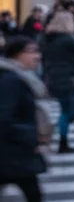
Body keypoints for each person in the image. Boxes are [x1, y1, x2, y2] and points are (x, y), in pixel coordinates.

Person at [0, 36, 52, 202]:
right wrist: (32, 136)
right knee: (33, 194)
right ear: (16, 54)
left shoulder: (18, 76)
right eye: (31, 51)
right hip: (12, 150)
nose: (37, 56)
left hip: (13, 150)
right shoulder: (12, 79)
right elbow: (4, 116)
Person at [40, 11, 74, 154]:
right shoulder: (67, 39)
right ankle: (62, 140)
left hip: (51, 75)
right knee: (66, 111)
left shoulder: (47, 39)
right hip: (65, 76)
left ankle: (58, 135)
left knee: (64, 109)